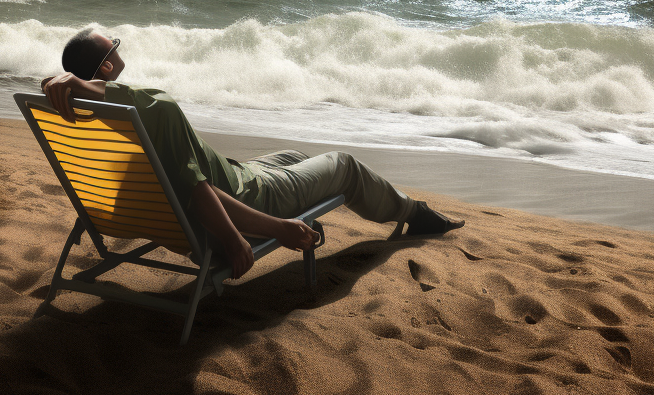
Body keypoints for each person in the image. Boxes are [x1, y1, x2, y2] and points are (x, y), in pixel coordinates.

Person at [41, 28, 464, 280]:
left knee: (293, 154)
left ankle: (316, 198)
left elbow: (185, 184)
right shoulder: (153, 107)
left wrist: (75, 85)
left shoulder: (93, 118)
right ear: (110, 67)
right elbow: (196, 192)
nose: (118, 45)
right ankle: (415, 213)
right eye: (114, 43)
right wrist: (270, 230)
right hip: (248, 200)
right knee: (346, 165)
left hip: (217, 186)